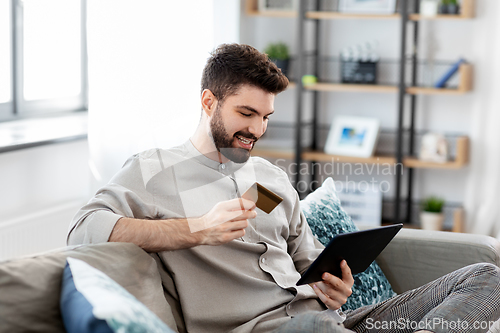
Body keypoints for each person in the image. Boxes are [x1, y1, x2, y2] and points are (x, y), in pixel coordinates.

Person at [68, 43, 500, 333]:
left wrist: (333, 289)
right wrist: (197, 228)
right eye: (246, 113)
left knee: (486, 278)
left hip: (331, 321)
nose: (257, 129)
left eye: (266, 117)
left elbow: (308, 260)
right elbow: (83, 231)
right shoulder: (153, 170)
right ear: (208, 102)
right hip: (268, 329)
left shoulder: (269, 178)